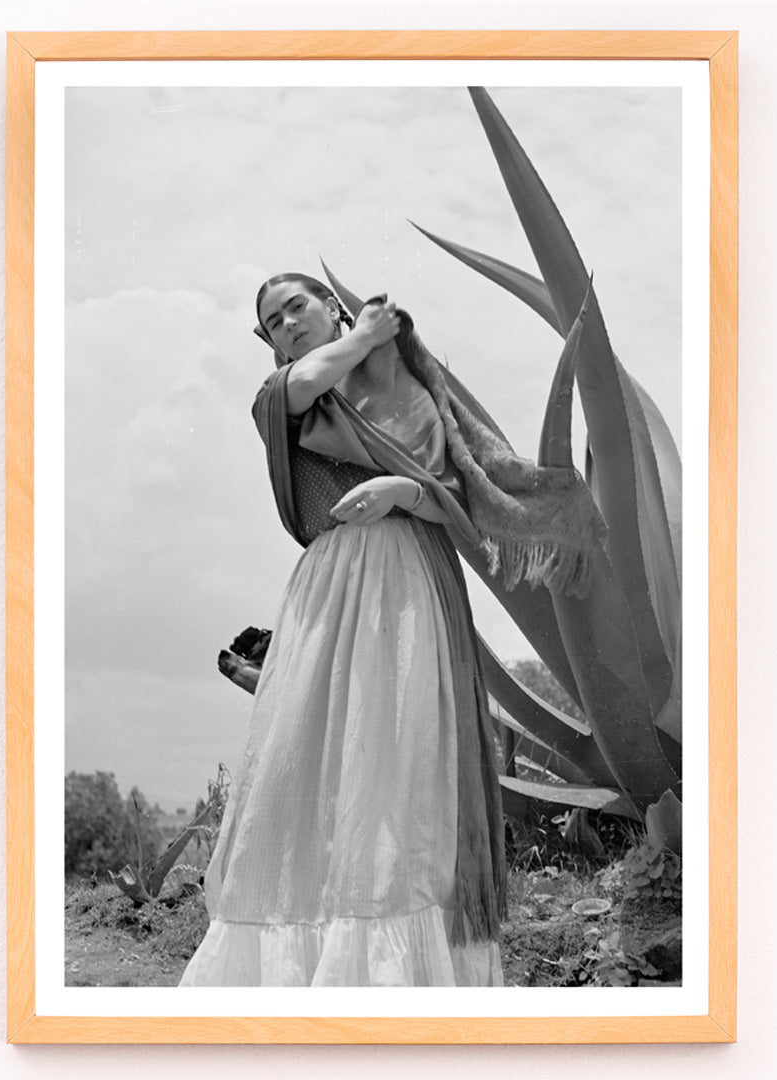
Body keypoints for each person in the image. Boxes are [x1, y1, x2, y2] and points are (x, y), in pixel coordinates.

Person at [179, 272, 604, 987]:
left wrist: (406, 489)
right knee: (302, 759)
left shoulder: (410, 399)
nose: (287, 324)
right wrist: (368, 335)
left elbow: (458, 500)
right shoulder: (279, 402)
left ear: (329, 306)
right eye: (273, 323)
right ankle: (298, 968)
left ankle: (392, 968)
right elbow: (306, 380)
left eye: (296, 308)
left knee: (400, 749)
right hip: (330, 585)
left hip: (412, 576)